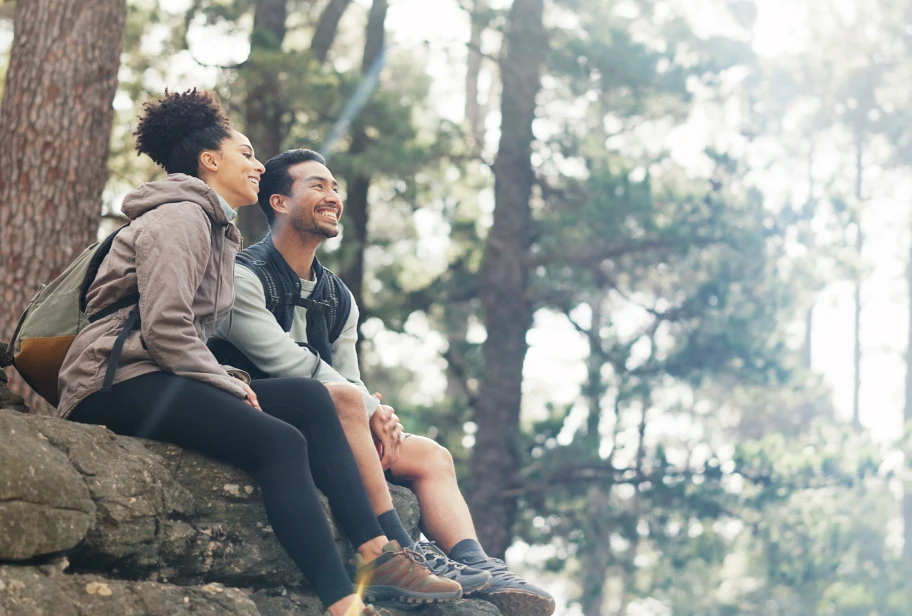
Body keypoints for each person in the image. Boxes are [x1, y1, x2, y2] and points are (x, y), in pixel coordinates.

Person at [54, 90, 462, 616]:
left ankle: (379, 554)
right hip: (113, 379)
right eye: (245, 153)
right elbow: (166, 329)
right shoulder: (181, 217)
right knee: (279, 443)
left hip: (151, 371)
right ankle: (343, 603)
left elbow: (180, 338)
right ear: (210, 161)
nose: (256, 165)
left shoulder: (214, 227)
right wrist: (229, 383)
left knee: (311, 399)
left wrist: (226, 377)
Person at [209, 148, 557, 616]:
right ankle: (396, 551)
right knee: (347, 401)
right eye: (316, 185)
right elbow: (286, 362)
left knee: (431, 455)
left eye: (334, 187)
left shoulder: (337, 296)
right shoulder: (243, 276)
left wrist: (379, 417)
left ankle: (479, 566)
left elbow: (349, 376)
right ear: (278, 202)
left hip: (333, 420)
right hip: (260, 411)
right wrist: (371, 409)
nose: (332, 196)